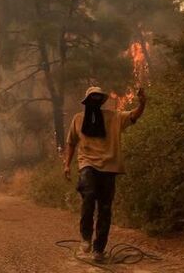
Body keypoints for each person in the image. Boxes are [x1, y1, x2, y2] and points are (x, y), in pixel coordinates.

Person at [63, 86, 146, 262]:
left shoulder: (113, 117)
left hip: (109, 166)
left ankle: (99, 249)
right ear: (86, 102)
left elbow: (133, 115)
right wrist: (67, 165)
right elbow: (71, 143)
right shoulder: (78, 119)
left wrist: (142, 102)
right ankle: (86, 237)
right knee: (89, 195)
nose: (95, 101)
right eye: (91, 98)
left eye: (98, 98)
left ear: (101, 101)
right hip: (87, 164)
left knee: (105, 209)